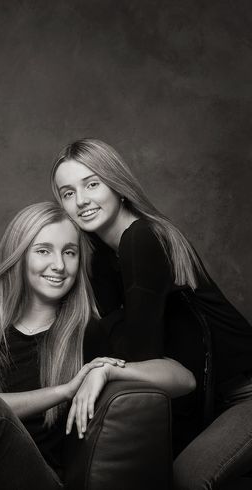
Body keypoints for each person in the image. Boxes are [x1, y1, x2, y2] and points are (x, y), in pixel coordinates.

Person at [0, 202, 195, 489]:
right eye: (44, 250)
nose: (59, 265)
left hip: (39, 479)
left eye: (69, 252)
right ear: (18, 255)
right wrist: (65, 391)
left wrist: (108, 370)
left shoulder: (90, 332)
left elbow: (183, 378)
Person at [51, 138, 252, 490]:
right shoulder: (102, 257)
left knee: (188, 478)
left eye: (92, 184)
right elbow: (121, 346)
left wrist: (105, 370)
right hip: (207, 400)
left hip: (245, 393)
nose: (80, 201)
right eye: (67, 193)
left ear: (117, 184)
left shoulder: (141, 238)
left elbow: (139, 355)